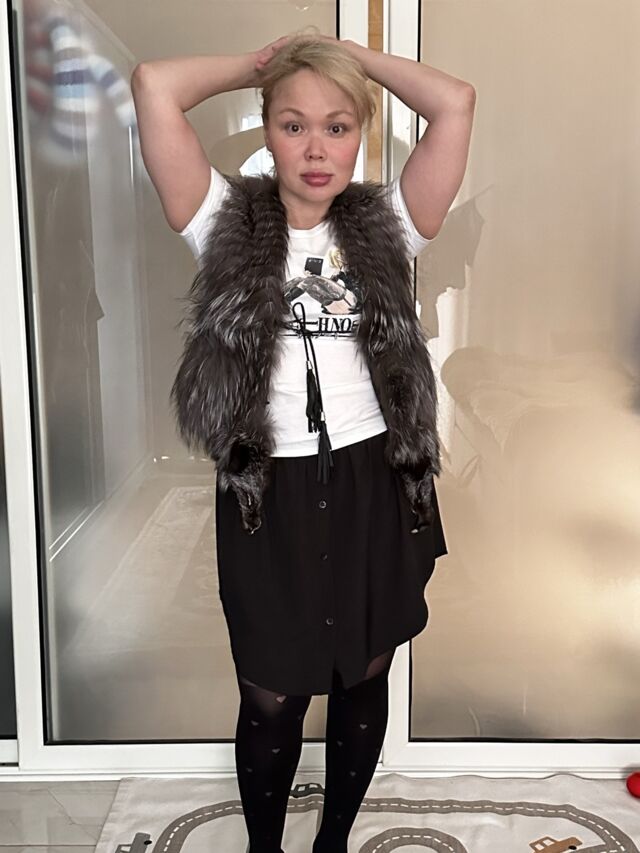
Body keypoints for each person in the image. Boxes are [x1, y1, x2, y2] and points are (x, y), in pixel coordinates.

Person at [131, 29, 475, 853]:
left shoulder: (390, 225)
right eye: (293, 125)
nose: (316, 148)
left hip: (373, 475)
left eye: (337, 125)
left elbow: (455, 102)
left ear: (359, 133)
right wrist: (265, 64)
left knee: (363, 675)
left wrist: (345, 56)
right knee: (271, 694)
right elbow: (152, 84)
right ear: (268, 129)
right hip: (268, 486)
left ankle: (332, 844)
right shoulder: (221, 222)